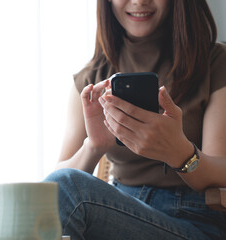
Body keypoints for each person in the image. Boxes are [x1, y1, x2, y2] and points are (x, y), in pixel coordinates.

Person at [45, 0, 226, 239]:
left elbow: (221, 171)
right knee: (63, 187)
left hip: (193, 222)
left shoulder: (215, 62)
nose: (140, 1)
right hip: (119, 211)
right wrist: (94, 146)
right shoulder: (92, 77)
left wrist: (178, 152)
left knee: (69, 188)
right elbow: (56, 186)